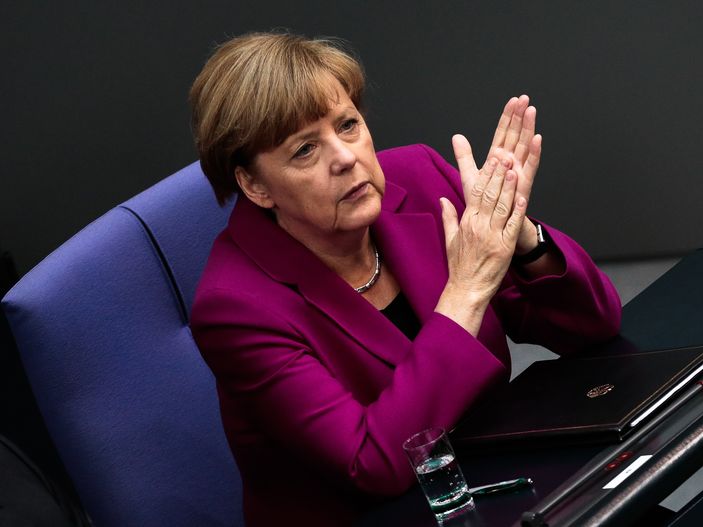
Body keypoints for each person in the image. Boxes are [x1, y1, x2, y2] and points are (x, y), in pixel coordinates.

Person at [189, 32, 621, 526]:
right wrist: (467, 291)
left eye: (348, 125)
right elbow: (374, 464)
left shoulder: (420, 180)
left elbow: (593, 326)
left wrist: (520, 235)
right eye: (305, 150)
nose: (346, 157)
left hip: (500, 485)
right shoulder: (234, 309)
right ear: (255, 185)